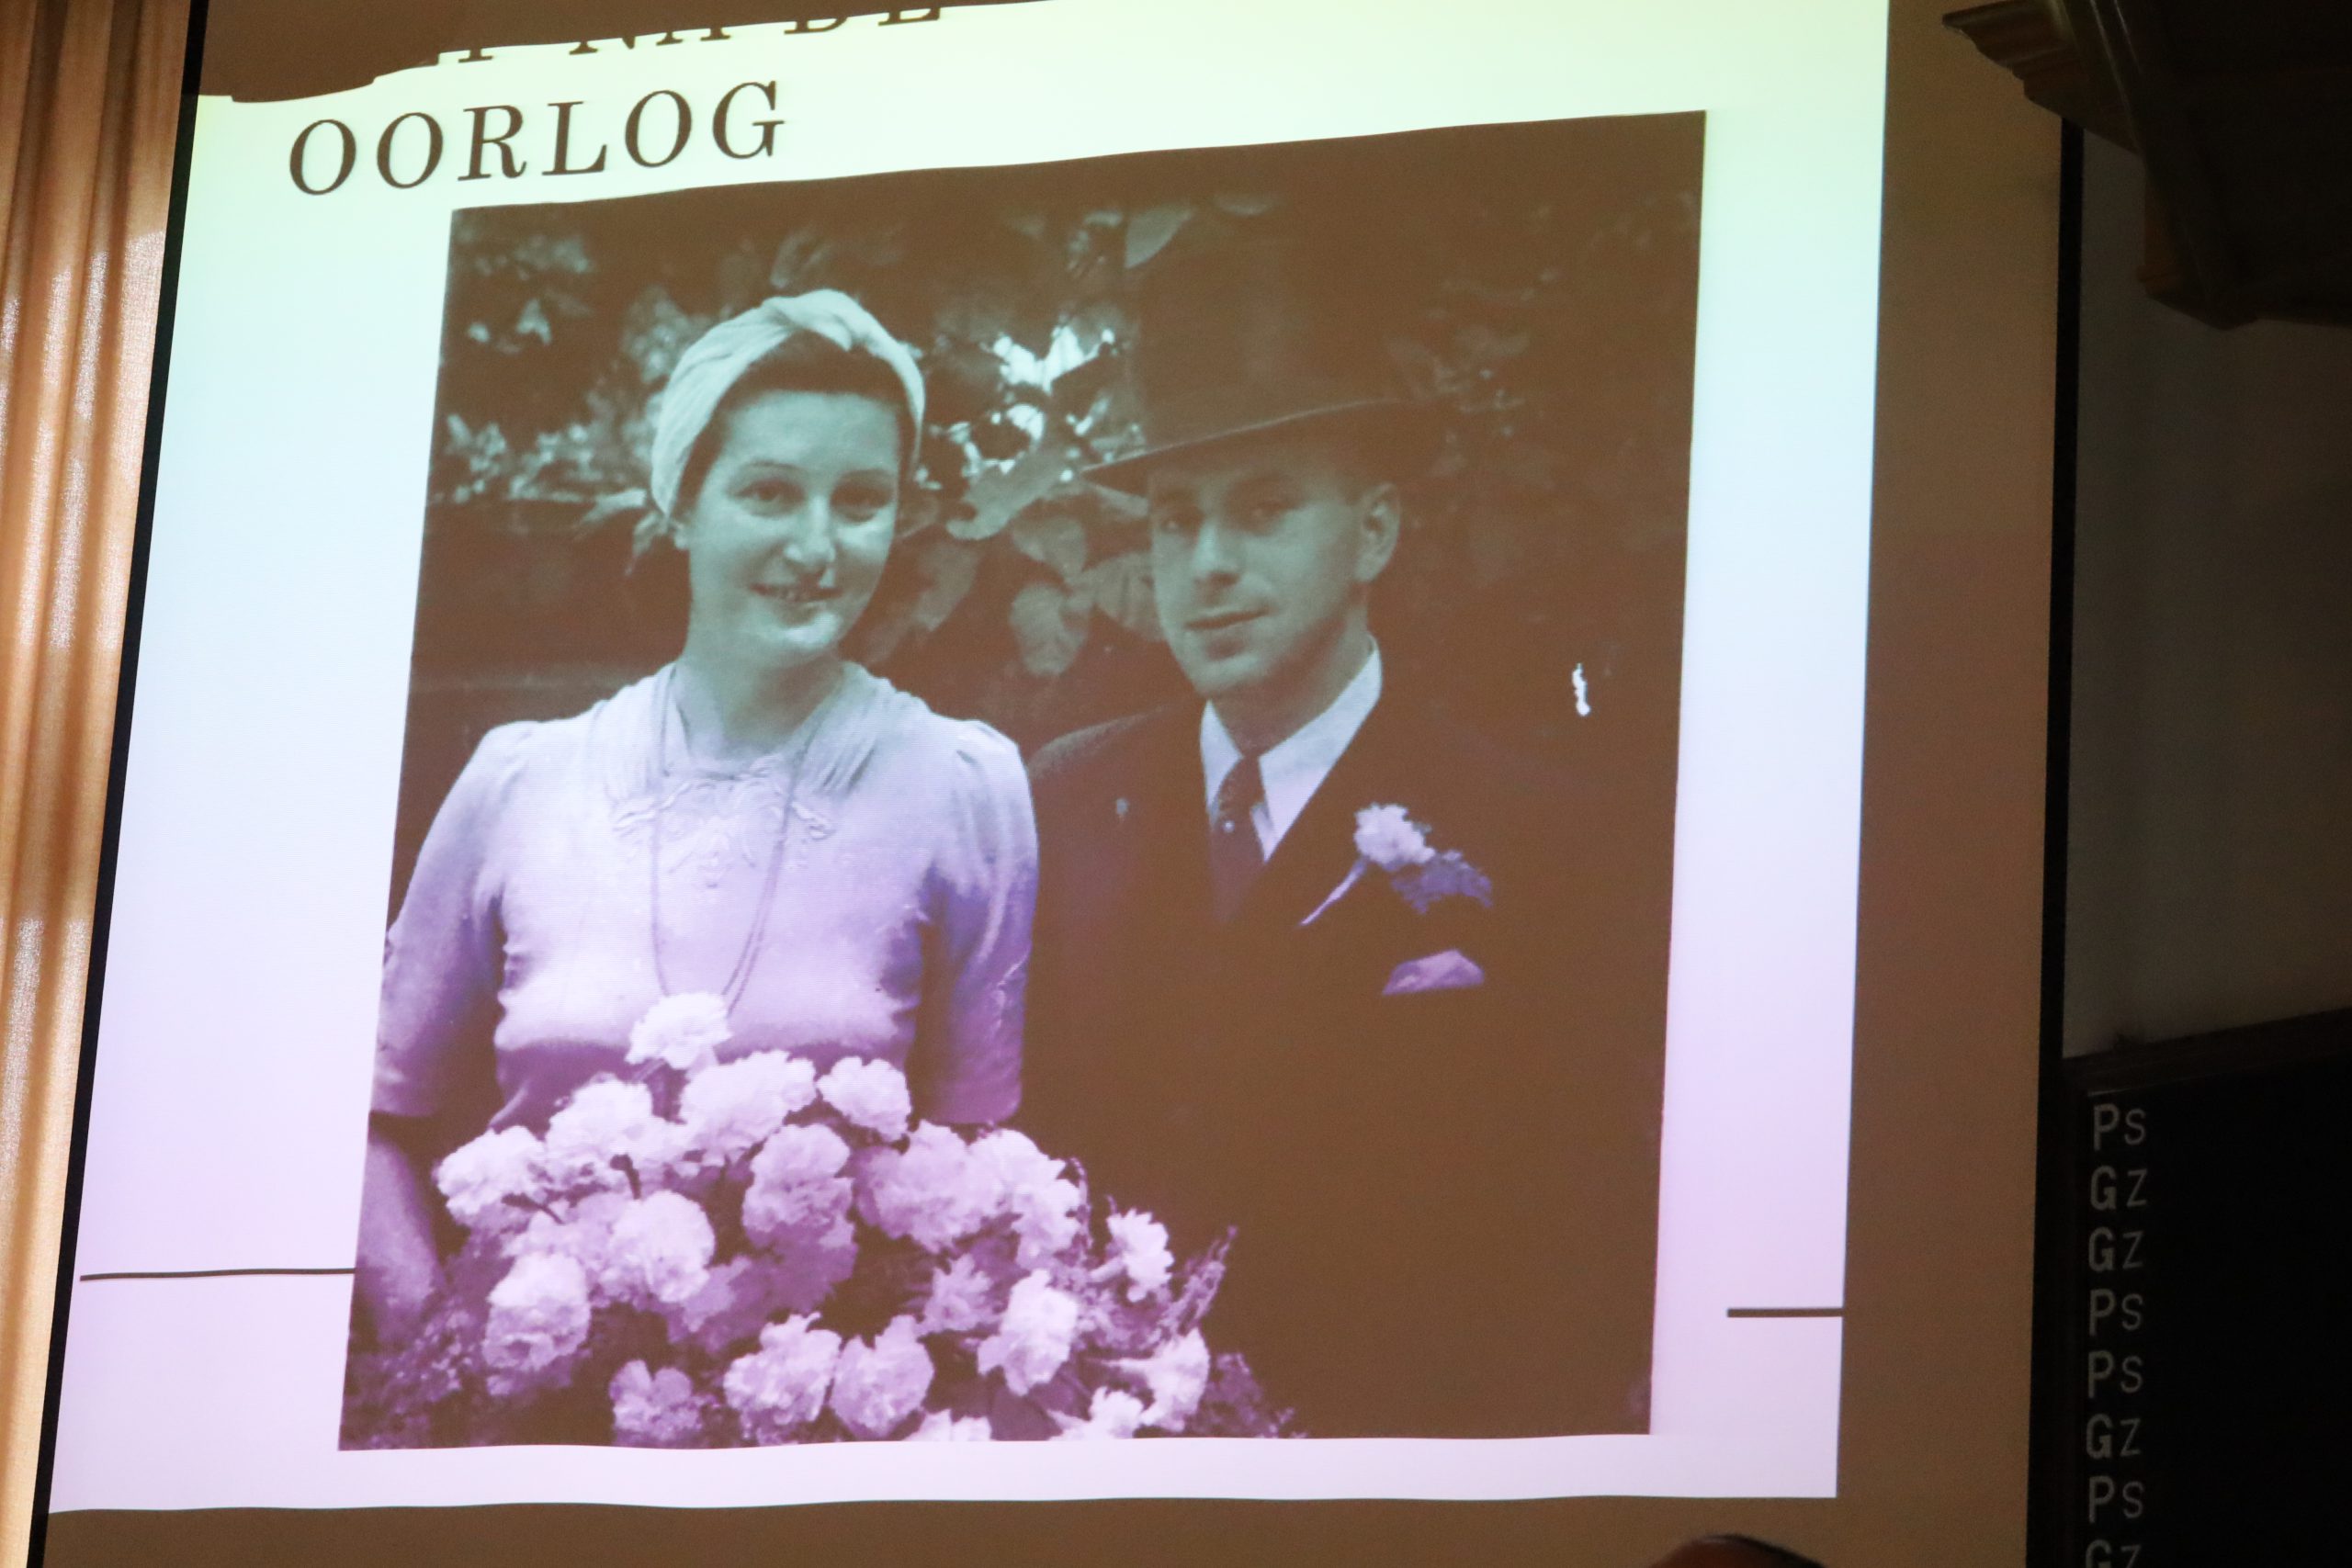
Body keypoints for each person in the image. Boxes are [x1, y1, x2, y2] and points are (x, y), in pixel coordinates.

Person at [1023, 232, 1663, 1436]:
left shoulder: (1537, 831)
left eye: (1265, 510)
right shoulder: (1065, 797)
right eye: (1175, 520)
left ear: (1373, 532)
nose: (1210, 563)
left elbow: (1585, 1240)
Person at [356, 291, 1036, 1343]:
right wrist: (439, 1352)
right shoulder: (522, 782)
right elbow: (369, 1117)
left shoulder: (962, 787)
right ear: (680, 502)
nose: (816, 545)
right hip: (523, 1397)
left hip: (820, 1396)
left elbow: (975, 1153)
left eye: (861, 500)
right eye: (769, 492)